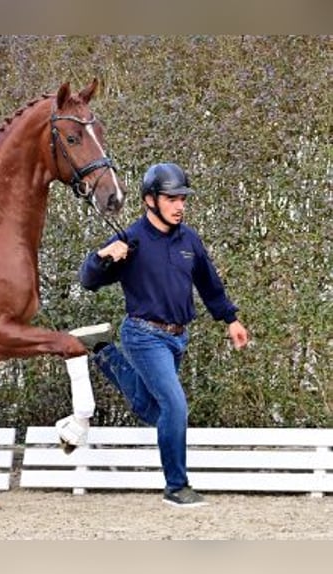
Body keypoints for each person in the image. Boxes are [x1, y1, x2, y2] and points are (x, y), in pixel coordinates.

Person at [64, 162, 250, 508]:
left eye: (182, 198)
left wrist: (230, 320)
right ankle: (176, 487)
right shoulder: (130, 240)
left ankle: (104, 351)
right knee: (175, 406)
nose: (180, 205)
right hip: (143, 335)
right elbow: (88, 280)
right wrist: (103, 257)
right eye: (171, 198)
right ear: (150, 199)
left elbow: (209, 284)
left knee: (156, 411)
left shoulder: (189, 240)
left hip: (178, 338)